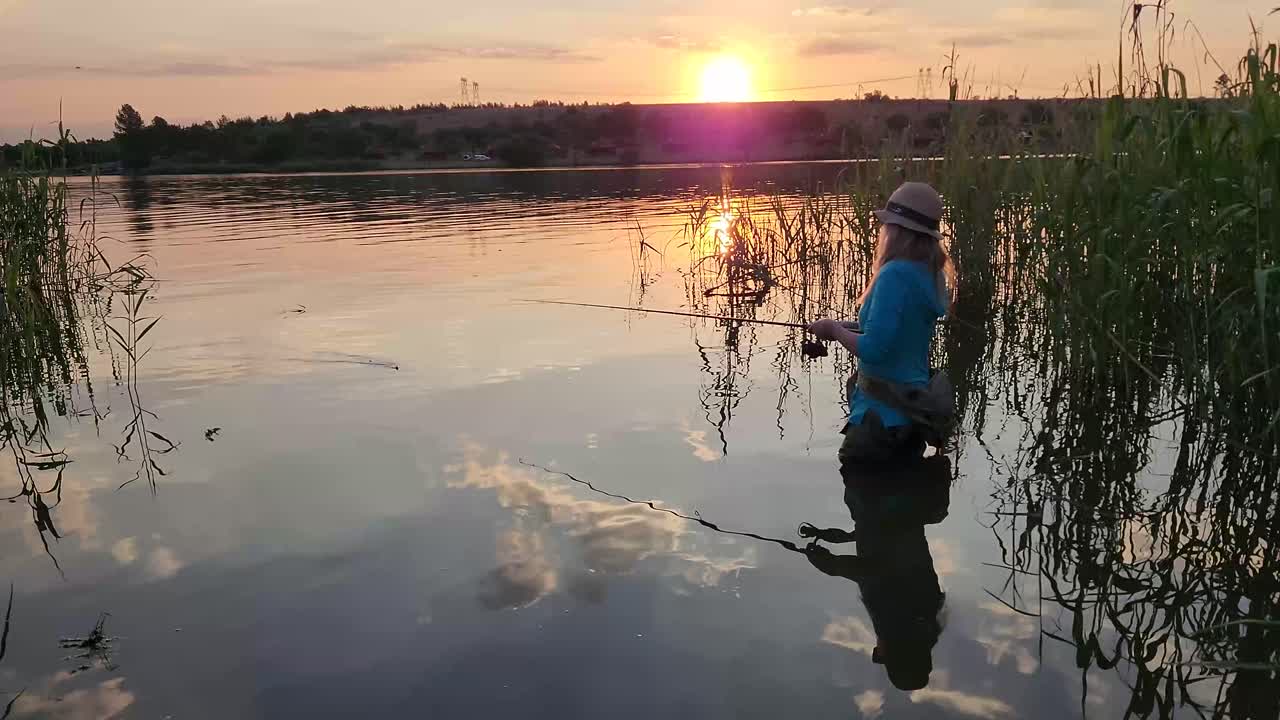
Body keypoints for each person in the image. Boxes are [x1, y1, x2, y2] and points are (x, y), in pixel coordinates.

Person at [807, 181, 956, 466]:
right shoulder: (931, 274)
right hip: (913, 413)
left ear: (898, 231)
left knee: (864, 497)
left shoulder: (893, 275)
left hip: (878, 419)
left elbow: (875, 349)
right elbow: (898, 333)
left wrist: (836, 332)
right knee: (901, 501)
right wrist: (839, 325)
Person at [801, 454, 952, 691]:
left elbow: (893, 559)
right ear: (896, 655)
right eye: (881, 657)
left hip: (903, 498)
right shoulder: (893, 625)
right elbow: (874, 573)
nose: (876, 650)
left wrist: (845, 538)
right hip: (874, 493)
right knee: (859, 447)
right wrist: (830, 565)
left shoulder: (928, 616)